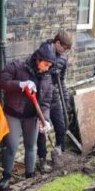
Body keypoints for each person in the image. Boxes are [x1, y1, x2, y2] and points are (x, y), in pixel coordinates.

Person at [0, 43, 56, 191]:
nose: (47, 68)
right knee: (11, 146)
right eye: (45, 64)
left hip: (32, 117)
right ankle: (6, 177)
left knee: (31, 146)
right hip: (13, 113)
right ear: (38, 59)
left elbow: (46, 102)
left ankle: (29, 177)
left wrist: (46, 120)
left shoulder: (47, 78)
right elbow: (2, 82)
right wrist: (21, 84)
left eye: (49, 65)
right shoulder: (18, 65)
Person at [36, 30, 73, 172]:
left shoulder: (63, 58)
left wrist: (66, 98)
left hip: (55, 95)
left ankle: (59, 153)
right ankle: (42, 158)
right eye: (64, 48)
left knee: (61, 124)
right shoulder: (43, 51)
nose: (64, 52)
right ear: (57, 43)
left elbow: (61, 80)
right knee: (42, 129)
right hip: (42, 96)